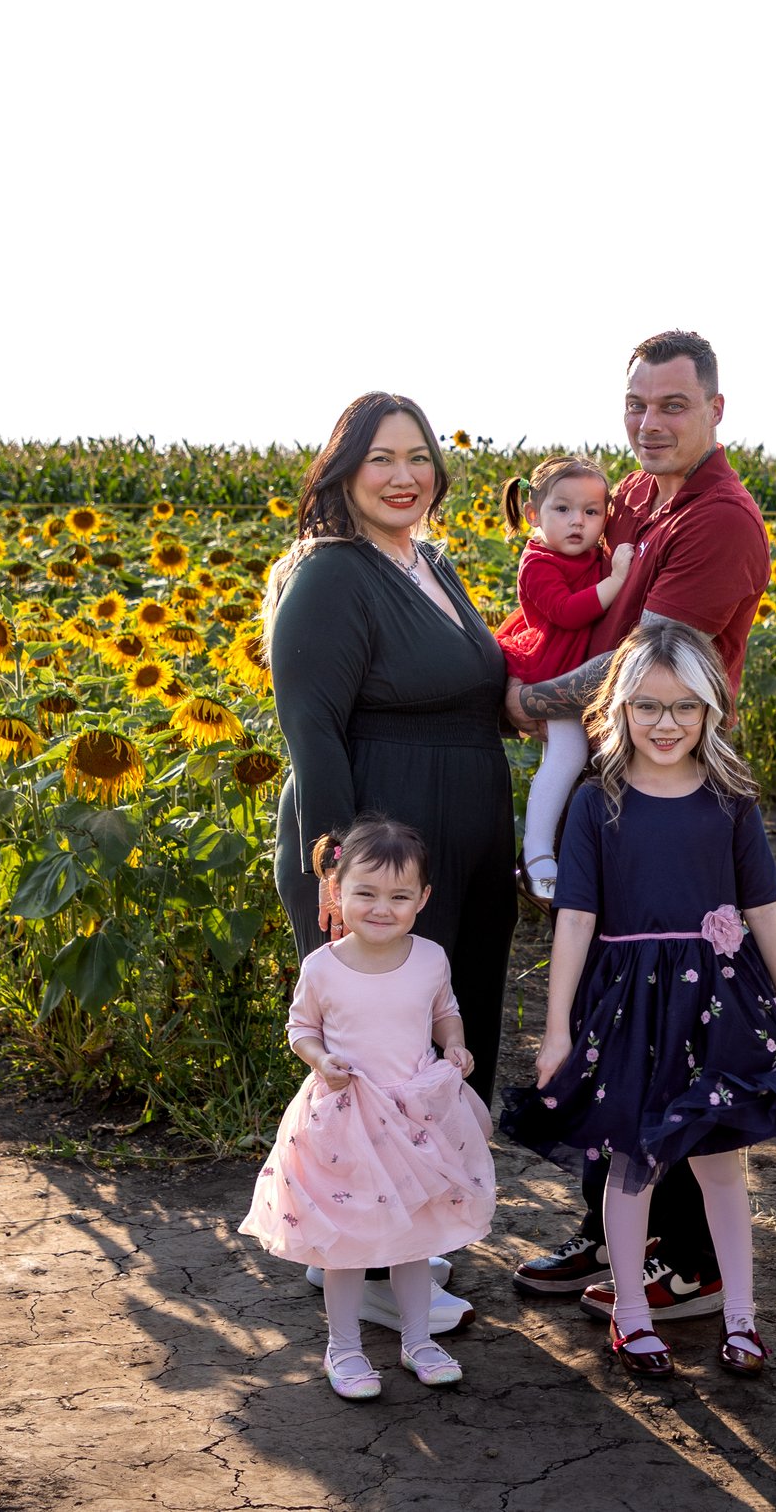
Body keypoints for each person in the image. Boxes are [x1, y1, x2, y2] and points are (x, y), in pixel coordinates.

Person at [503, 330, 772, 1324]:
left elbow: (639, 669)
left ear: (715, 409)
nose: (649, 423)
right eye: (636, 405)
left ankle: (692, 1261)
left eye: (671, 405)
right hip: (614, 786)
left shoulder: (721, 522)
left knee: (681, 1022)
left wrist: (517, 698)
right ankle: (610, 1225)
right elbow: (561, 553)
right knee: (611, 1019)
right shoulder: (639, 494)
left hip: (672, 796)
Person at [501, 622, 776, 1377]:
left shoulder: (730, 798)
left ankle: (741, 1316)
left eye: (685, 707)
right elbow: (576, 919)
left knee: (721, 1162)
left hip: (719, 1000)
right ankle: (633, 1314)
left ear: (711, 709)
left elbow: (767, 911)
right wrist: (557, 1030)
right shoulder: (598, 802)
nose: (666, 724)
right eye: (648, 707)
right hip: (626, 1005)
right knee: (632, 1162)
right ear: (619, 708)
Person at [268, 391, 518, 1337]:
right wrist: (339, 866)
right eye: (381, 458)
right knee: (375, 1056)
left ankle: (402, 1236)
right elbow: (312, 729)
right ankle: (367, 1264)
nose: (405, 474)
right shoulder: (331, 576)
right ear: (342, 472)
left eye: (419, 456)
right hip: (377, 850)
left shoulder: (432, 564)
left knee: (438, 1037)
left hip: (457, 841)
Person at [239, 819, 496, 1399]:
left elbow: (444, 1009)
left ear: (423, 899)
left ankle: (417, 1340)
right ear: (336, 892)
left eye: (400, 897)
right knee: (347, 1244)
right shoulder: (323, 966)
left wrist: (453, 1042)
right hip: (346, 1119)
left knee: (415, 1237)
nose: (383, 908)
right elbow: (300, 1027)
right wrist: (320, 1060)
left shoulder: (429, 958)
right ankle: (345, 1348)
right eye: (366, 893)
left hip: (414, 1118)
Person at [492, 455, 635, 901]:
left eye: (592, 512)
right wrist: (618, 579)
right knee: (568, 753)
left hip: (575, 665)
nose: (578, 522)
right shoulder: (537, 562)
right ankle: (535, 854)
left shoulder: (592, 554)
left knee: (576, 759)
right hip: (551, 666)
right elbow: (568, 612)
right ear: (534, 514)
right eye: (563, 509)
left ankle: (554, 848)